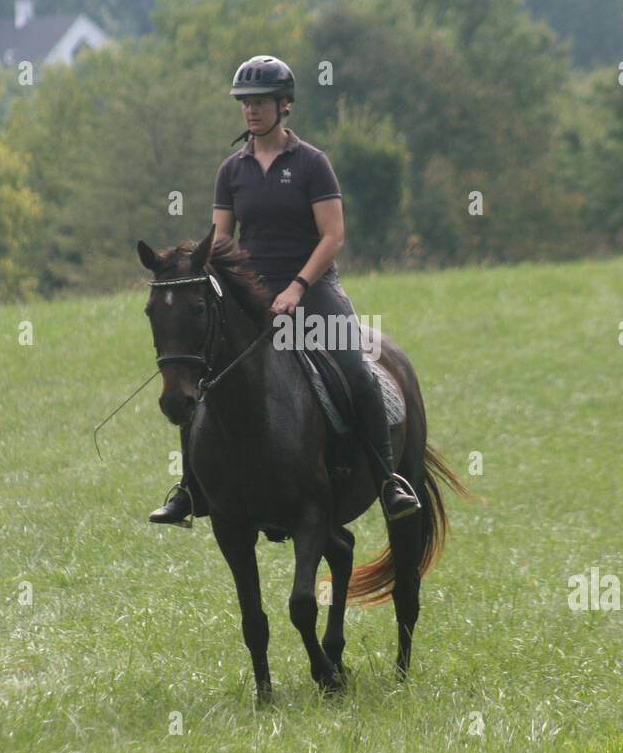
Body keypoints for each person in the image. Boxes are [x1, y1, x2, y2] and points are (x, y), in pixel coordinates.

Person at [149, 55, 420, 528]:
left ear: (284, 105)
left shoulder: (313, 164)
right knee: (202, 375)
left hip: (313, 290)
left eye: (260, 102)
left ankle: (386, 480)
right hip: (252, 293)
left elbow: (332, 236)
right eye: (245, 104)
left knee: (356, 370)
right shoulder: (231, 170)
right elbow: (221, 239)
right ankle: (190, 491)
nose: (251, 111)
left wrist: (297, 287)